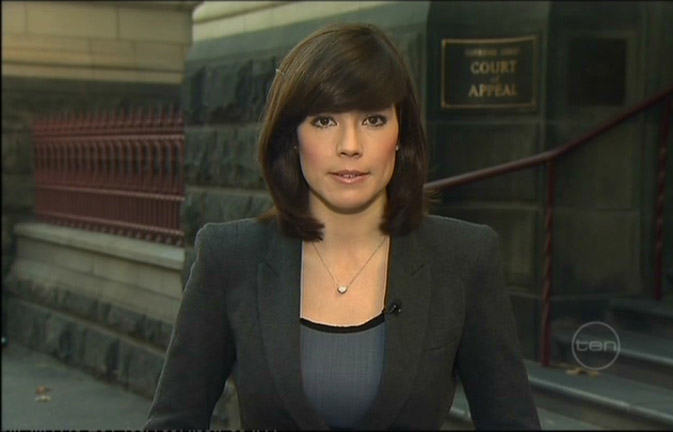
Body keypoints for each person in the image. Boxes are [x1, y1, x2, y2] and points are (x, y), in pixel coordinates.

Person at [145, 23, 541, 430]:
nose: (350, 145)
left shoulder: (463, 257)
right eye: (324, 121)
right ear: (292, 137)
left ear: (400, 134)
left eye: (373, 119)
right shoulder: (229, 257)